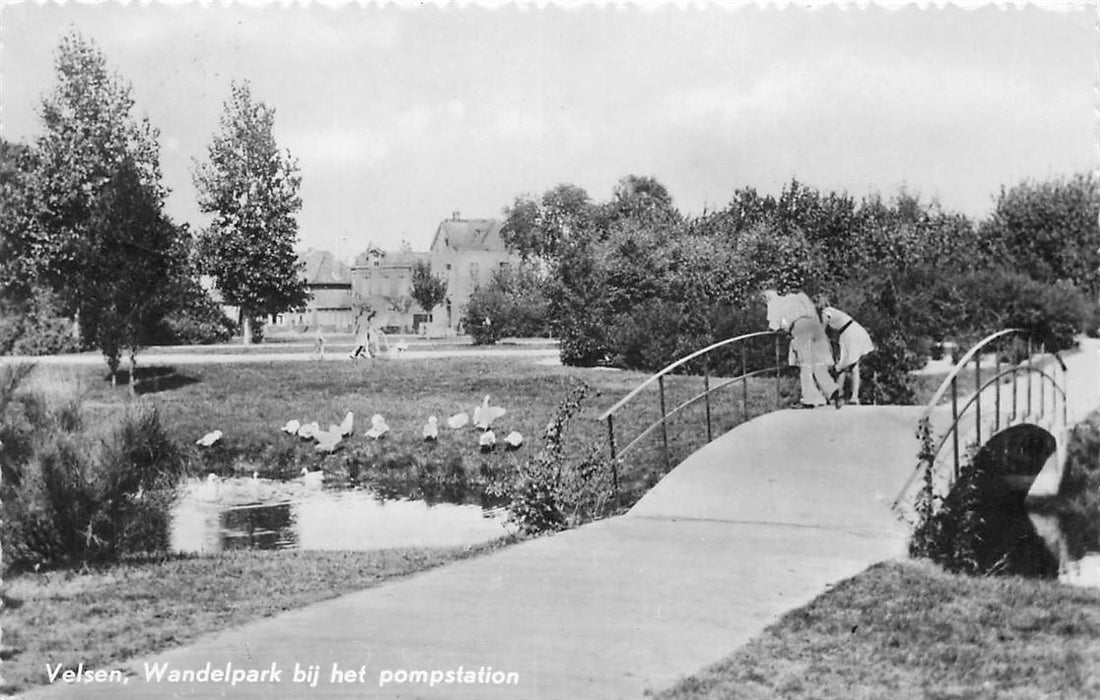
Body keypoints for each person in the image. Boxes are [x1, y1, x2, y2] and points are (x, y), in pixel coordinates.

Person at [765, 289, 841, 409]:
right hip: (816, 326)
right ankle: (832, 390)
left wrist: (780, 329)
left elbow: (773, 326)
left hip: (800, 326)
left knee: (805, 364)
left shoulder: (775, 302)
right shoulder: (801, 297)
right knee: (818, 363)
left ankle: (810, 399)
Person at [817, 299, 875, 405]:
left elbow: (822, 330)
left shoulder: (826, 312)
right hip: (854, 330)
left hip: (849, 333)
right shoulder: (834, 311)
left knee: (843, 366)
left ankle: (840, 395)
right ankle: (852, 396)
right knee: (853, 366)